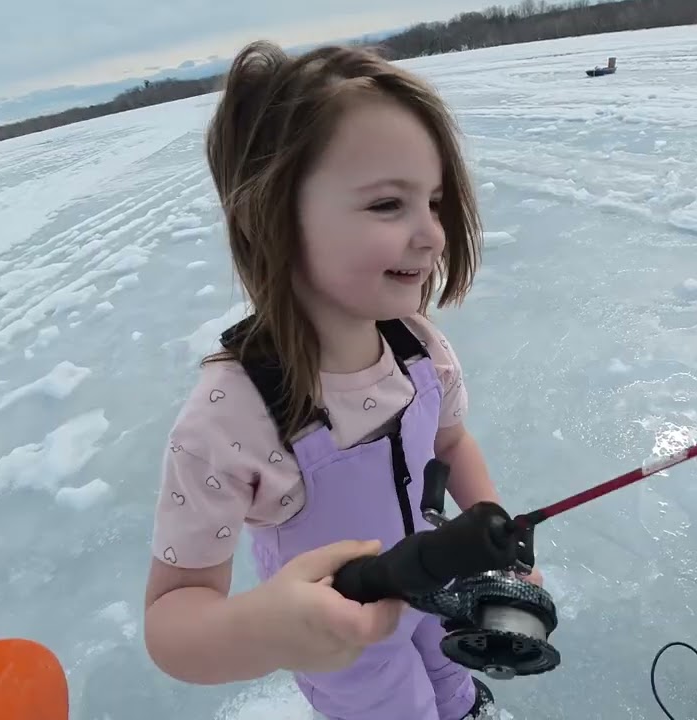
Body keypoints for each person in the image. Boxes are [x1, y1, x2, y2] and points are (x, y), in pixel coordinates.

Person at [142, 39, 541, 720]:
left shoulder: (420, 349)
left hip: (437, 596)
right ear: (271, 216)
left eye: (435, 201)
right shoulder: (231, 417)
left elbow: (450, 445)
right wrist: (264, 627)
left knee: (452, 690)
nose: (432, 235)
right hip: (348, 657)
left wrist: (492, 538)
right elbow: (171, 617)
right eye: (389, 204)